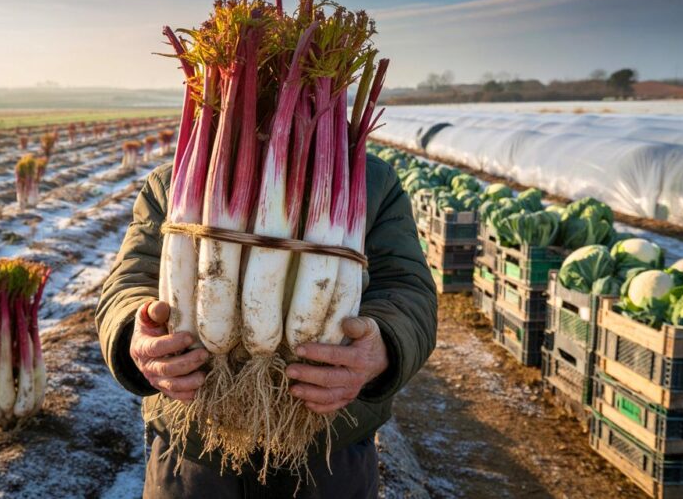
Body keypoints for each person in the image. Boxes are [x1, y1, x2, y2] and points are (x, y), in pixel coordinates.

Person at [96, 153, 437, 498]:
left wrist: (385, 347)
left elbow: (406, 288)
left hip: (330, 452)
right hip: (193, 449)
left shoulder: (370, 180)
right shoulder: (173, 179)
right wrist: (132, 332)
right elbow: (129, 282)